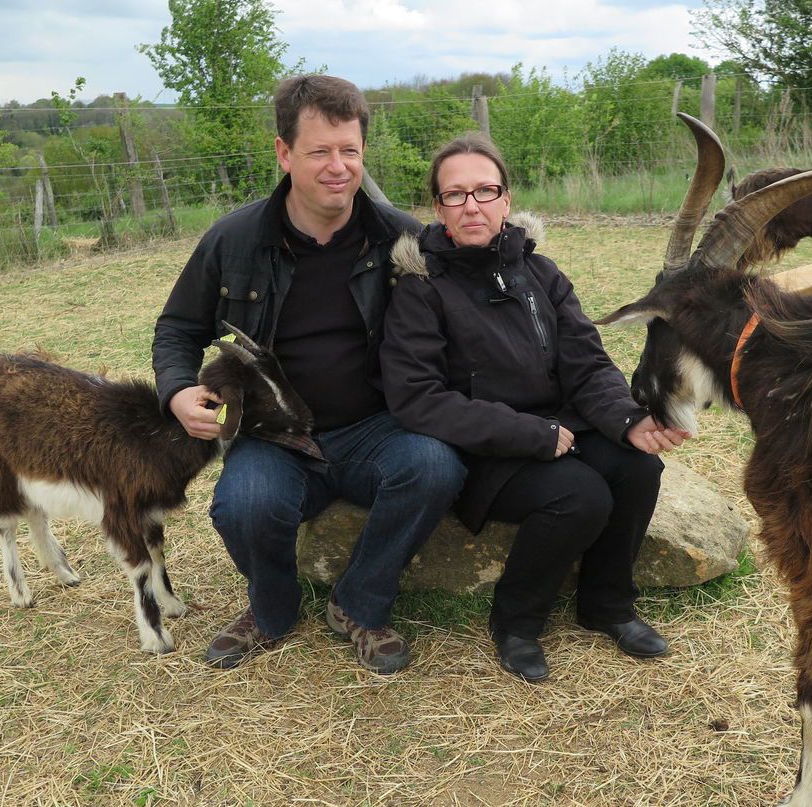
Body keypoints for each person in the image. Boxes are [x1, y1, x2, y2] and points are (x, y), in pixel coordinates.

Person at [153, 75, 466, 675]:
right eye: (320, 151)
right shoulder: (234, 239)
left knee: (435, 466)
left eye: (349, 151)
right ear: (284, 152)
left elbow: (464, 311)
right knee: (243, 505)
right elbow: (176, 329)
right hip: (276, 436)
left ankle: (359, 605)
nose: (338, 167)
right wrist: (177, 390)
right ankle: (272, 609)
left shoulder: (400, 238)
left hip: (378, 425)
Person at [380, 133, 689, 682]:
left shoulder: (539, 273)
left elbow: (587, 364)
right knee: (581, 497)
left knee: (640, 469)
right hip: (484, 450)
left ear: (505, 199)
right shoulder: (420, 288)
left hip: (560, 428)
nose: (471, 205)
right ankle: (517, 623)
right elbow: (417, 397)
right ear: (438, 208)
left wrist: (627, 419)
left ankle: (608, 606)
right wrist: (528, 433)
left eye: (485, 190)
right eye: (456, 195)